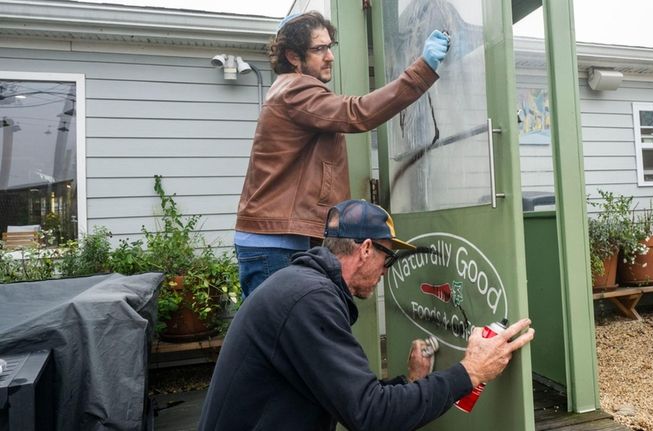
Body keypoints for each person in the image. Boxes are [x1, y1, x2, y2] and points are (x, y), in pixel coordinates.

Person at [199, 199, 535, 430]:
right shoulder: (309, 301)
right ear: (365, 250)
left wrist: (413, 383)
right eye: (388, 259)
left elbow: (350, 399)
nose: (386, 271)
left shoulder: (304, 287)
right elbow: (371, 416)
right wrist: (471, 371)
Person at [235, 11, 451, 298]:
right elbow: (357, 112)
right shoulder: (296, 90)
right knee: (280, 338)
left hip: (279, 241)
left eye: (329, 47)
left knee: (289, 336)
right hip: (276, 245)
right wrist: (422, 69)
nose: (330, 56)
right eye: (319, 48)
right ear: (293, 56)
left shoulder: (293, 91)